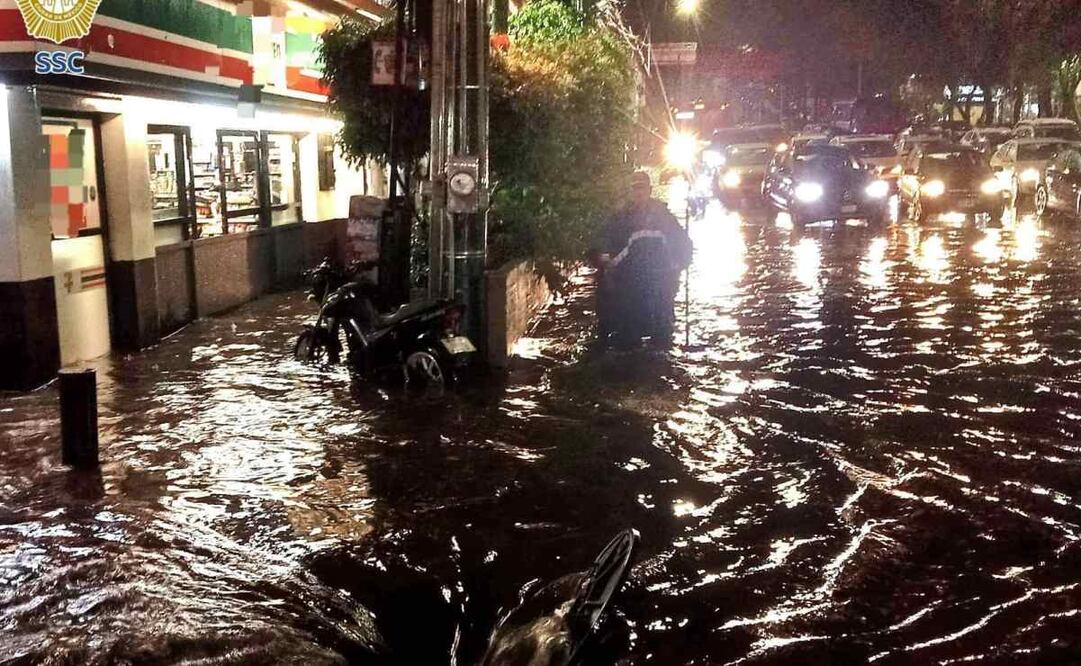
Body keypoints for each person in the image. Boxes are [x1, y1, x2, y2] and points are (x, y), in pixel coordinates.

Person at [590, 171, 693, 349]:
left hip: (660, 281)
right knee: (629, 334)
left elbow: (681, 241)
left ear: (649, 190)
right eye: (635, 189)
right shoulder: (620, 217)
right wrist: (600, 257)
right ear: (629, 191)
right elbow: (604, 240)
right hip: (629, 282)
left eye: (642, 188)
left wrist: (681, 263)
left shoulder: (664, 216)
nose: (638, 193)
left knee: (662, 335)